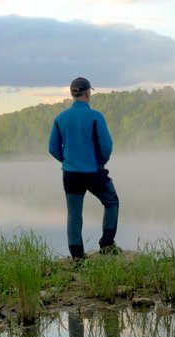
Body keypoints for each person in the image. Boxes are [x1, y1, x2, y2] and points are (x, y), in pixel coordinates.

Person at [49, 77, 121, 262]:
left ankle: (77, 256)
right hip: (93, 171)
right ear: (88, 93)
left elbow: (53, 148)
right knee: (111, 202)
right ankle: (106, 244)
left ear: (73, 94)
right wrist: (100, 162)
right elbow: (106, 146)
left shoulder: (60, 118)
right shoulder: (96, 116)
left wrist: (67, 161)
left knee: (74, 214)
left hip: (70, 174)